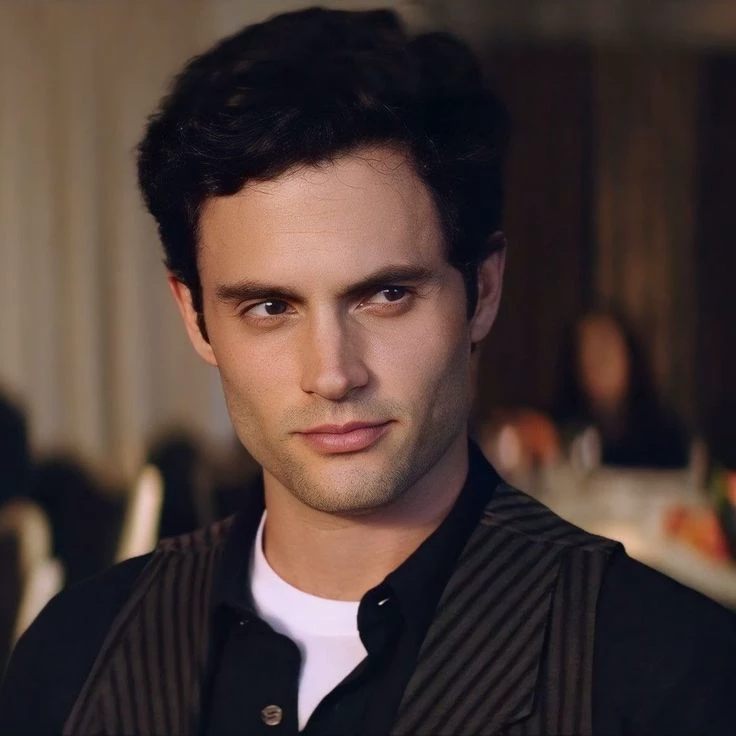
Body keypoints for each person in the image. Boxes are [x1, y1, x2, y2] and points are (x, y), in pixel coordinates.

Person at [1, 8, 734, 735]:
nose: (332, 374)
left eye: (386, 296)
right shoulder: (74, 658)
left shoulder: (668, 674)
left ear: (482, 291)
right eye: (269, 307)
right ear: (195, 318)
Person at [553, 307, 692, 469]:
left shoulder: (667, 434)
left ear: (629, 355)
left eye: (605, 346)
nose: (598, 360)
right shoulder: (555, 430)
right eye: (586, 348)